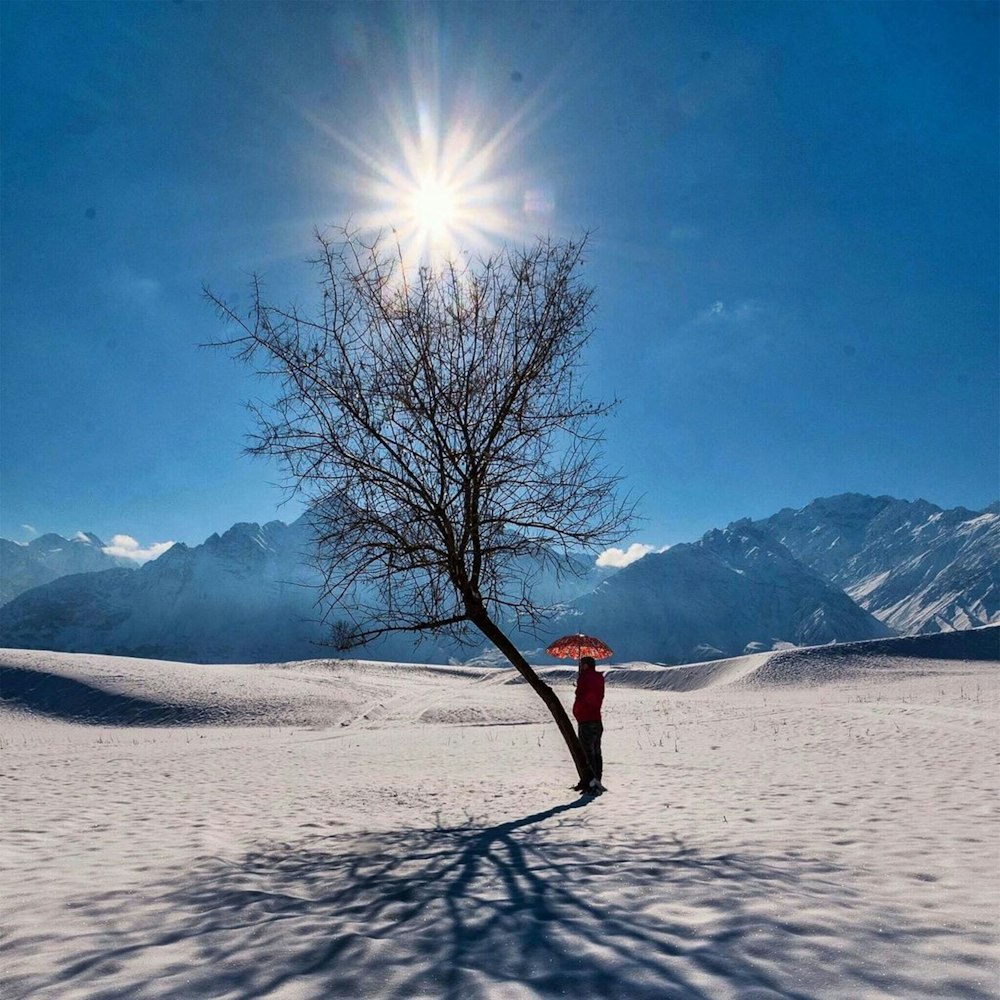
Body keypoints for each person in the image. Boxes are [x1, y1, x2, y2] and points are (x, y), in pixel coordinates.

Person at [573, 655, 605, 793]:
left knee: (587, 754)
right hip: (597, 718)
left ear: (585, 665)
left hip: (586, 719)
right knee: (596, 752)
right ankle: (597, 779)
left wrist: (577, 712)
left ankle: (591, 782)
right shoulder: (599, 678)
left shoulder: (585, 678)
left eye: (581, 664)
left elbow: (582, 696)